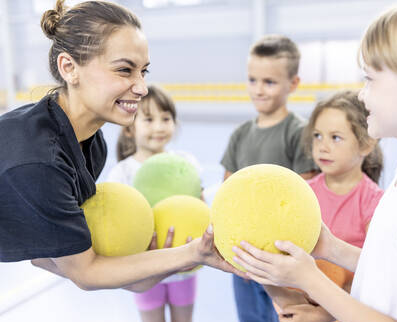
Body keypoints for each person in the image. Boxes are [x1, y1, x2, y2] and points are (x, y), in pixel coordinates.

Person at [232, 0, 397, 322]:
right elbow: (393, 268)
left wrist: (312, 281)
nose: (361, 95)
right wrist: (330, 248)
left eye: (370, 80)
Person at [0, 0, 244, 293]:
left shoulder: (92, 143)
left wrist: (156, 262)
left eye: (144, 72)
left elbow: (46, 254)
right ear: (69, 68)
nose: (141, 87)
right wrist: (191, 253)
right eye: (124, 70)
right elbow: (86, 272)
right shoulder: (42, 162)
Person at [220, 34, 317, 322]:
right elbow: (227, 191)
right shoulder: (240, 134)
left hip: (281, 260)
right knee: (250, 321)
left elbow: (307, 197)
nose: (258, 90)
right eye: (253, 80)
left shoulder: (298, 132)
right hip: (243, 257)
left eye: (269, 82)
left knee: (283, 320)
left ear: (293, 84)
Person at [265, 90, 384, 322]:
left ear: (366, 144)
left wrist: (327, 315)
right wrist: (286, 304)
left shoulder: (375, 203)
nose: (323, 146)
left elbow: (376, 275)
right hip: (296, 315)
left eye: (335, 138)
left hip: (347, 317)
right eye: (317, 136)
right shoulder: (300, 193)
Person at [107, 85, 201, 322]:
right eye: (149, 119)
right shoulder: (122, 173)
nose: (159, 126)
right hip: (144, 268)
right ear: (130, 128)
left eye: (166, 118)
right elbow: (115, 226)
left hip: (184, 264)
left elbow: (200, 208)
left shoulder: (186, 164)